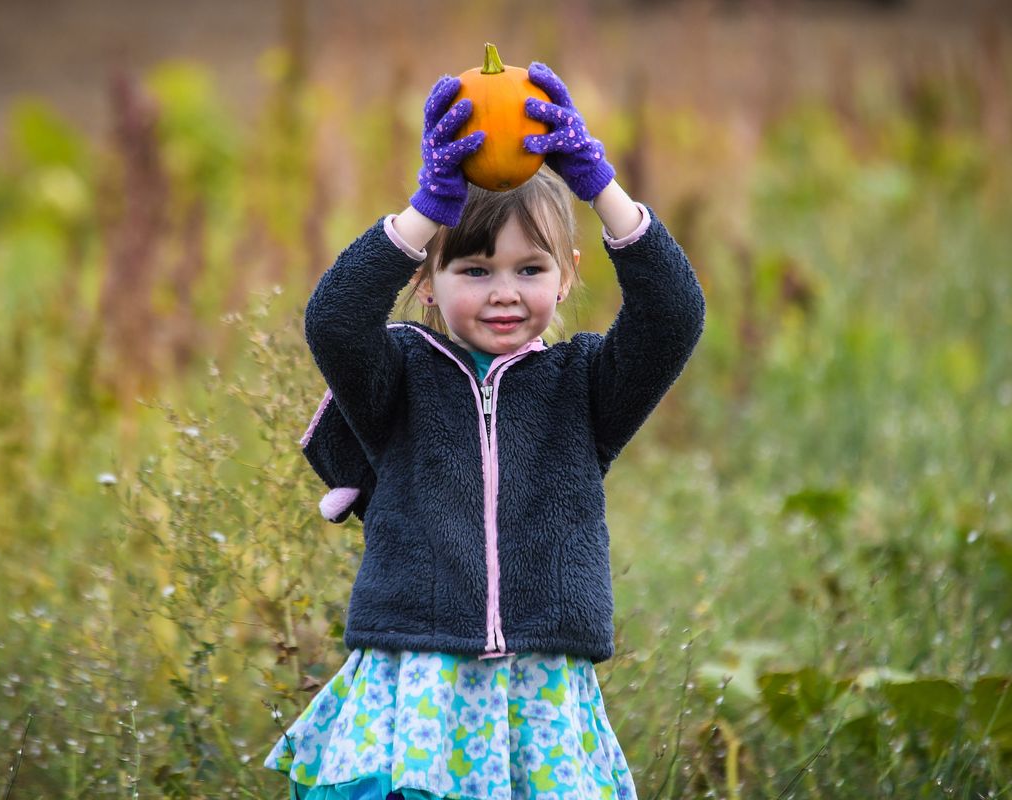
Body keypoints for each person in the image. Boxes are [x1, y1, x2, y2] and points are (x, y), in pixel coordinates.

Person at [264, 61, 706, 800]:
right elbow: (335, 321)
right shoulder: (396, 378)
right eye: (473, 269)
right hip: (421, 681)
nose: (504, 293)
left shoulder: (584, 387)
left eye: (529, 269)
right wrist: (422, 214)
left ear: (566, 276)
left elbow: (673, 318)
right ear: (424, 280)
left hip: (539, 692)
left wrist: (599, 186)